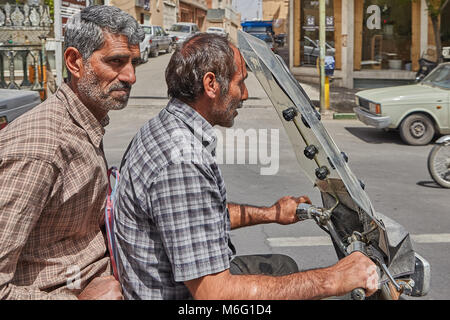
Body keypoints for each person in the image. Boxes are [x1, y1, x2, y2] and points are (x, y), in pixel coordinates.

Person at [113, 33, 378, 300]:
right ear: (211, 84)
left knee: (283, 266)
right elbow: (214, 294)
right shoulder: (181, 162)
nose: (246, 95)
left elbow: (200, 216)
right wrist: (333, 279)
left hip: (177, 281)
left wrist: (272, 213)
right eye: (241, 83)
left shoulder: (167, 126)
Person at [0, 5, 143, 300]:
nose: (130, 76)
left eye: (134, 63)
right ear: (75, 62)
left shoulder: (87, 121)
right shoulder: (41, 147)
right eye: (116, 62)